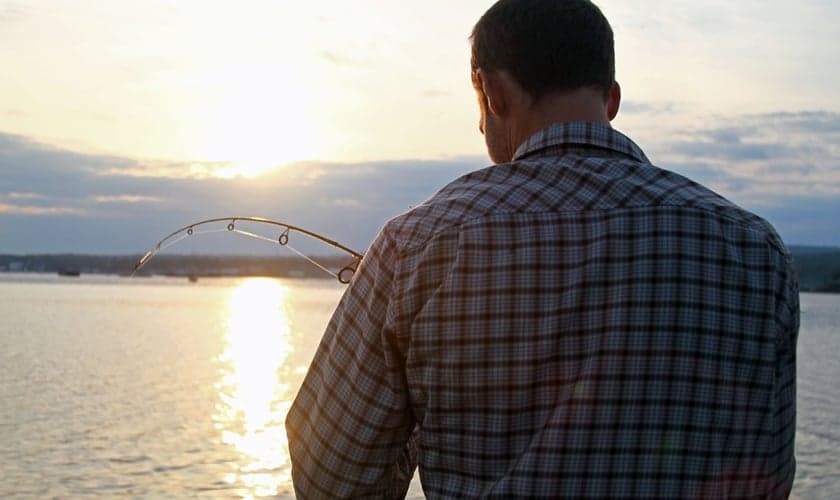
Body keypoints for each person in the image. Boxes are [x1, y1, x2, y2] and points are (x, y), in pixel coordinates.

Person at [285, 0, 799, 497]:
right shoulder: (757, 250)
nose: (480, 125)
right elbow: (769, 476)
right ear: (612, 100)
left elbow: (331, 479)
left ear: (492, 92)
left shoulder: (416, 243)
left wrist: (417, 404)